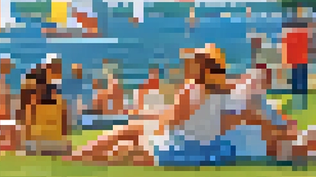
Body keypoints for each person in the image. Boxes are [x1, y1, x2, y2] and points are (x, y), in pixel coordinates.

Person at [71, 46, 235, 166]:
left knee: (128, 133)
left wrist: (151, 124)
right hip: (203, 151)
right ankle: (81, 157)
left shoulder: (193, 88)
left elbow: (172, 121)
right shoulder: (223, 91)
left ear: (203, 66)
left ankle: (77, 156)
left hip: (178, 148)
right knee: (130, 142)